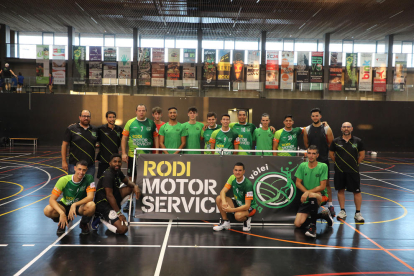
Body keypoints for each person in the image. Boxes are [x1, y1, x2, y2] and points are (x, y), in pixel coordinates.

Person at [92, 154, 141, 235]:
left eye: (119, 162)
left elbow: (127, 182)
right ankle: (101, 218)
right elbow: (109, 196)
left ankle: (114, 210)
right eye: (115, 162)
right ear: (110, 163)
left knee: (131, 188)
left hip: (112, 198)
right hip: (103, 204)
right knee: (123, 229)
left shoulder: (117, 171)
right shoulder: (108, 175)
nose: (117, 164)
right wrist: (119, 214)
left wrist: (135, 186)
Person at [43, 160, 96, 235]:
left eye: (84, 170)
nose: (81, 172)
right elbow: (52, 200)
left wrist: (74, 204)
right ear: (75, 168)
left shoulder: (89, 178)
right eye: (79, 169)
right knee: (48, 210)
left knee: (91, 206)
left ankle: (83, 223)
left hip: (79, 206)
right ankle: (63, 222)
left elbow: (90, 197)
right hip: (65, 205)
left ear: (87, 170)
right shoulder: (63, 180)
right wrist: (61, 213)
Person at [294, 145, 334, 238]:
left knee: (313, 195)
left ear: (317, 155)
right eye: (309, 153)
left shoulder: (323, 166)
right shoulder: (302, 165)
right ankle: (323, 215)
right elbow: (298, 183)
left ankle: (313, 227)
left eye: (313, 154)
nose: (311, 155)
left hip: (321, 196)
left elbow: (322, 186)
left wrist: (308, 193)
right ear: (306, 154)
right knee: (297, 224)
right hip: (308, 197)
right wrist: (307, 192)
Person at [329, 122, 366, 222]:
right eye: (344, 127)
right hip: (340, 171)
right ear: (341, 129)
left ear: (351, 128)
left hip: (353, 171)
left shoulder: (358, 141)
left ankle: (358, 213)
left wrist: (354, 164)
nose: (346, 128)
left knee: (357, 192)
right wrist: (339, 163)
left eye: (348, 127)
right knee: (340, 190)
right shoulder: (336, 141)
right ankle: (342, 211)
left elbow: (362, 155)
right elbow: (331, 153)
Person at [303, 108, 335, 217]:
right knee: (310, 182)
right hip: (311, 160)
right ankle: (311, 205)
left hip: (323, 160)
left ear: (320, 116)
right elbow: (307, 144)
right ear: (311, 117)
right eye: (313, 116)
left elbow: (331, 144)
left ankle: (330, 205)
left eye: (317, 116)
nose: (315, 117)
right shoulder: (307, 129)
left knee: (326, 184)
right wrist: (312, 156)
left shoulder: (327, 129)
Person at [213, 162, 258, 232]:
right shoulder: (232, 177)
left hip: (250, 208)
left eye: (240, 170)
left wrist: (231, 210)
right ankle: (226, 222)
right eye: (236, 170)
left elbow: (247, 206)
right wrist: (224, 202)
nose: (237, 172)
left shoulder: (248, 184)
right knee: (219, 198)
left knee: (238, 216)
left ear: (243, 172)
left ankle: (247, 219)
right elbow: (222, 192)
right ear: (233, 171)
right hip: (238, 203)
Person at [122, 104, 159, 178]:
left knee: (147, 177)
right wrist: (123, 153)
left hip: (147, 156)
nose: (141, 112)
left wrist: (157, 153)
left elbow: (156, 138)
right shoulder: (130, 122)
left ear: (146, 112)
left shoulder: (151, 123)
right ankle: (133, 190)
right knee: (132, 177)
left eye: (143, 111)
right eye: (139, 111)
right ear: (136, 112)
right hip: (133, 155)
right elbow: (124, 138)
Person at [62, 110, 98, 176]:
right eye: (84, 116)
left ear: (90, 117)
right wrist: (64, 161)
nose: (86, 118)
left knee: (89, 186)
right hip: (74, 166)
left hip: (90, 166)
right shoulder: (71, 129)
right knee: (74, 186)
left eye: (88, 116)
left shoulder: (95, 129)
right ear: (79, 117)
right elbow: (64, 145)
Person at [96, 111, 123, 178]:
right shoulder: (100, 129)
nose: (112, 119)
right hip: (103, 159)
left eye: (113, 117)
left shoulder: (119, 129)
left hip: (115, 160)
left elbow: (123, 141)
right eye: (110, 117)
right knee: (102, 179)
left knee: (115, 178)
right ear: (106, 118)